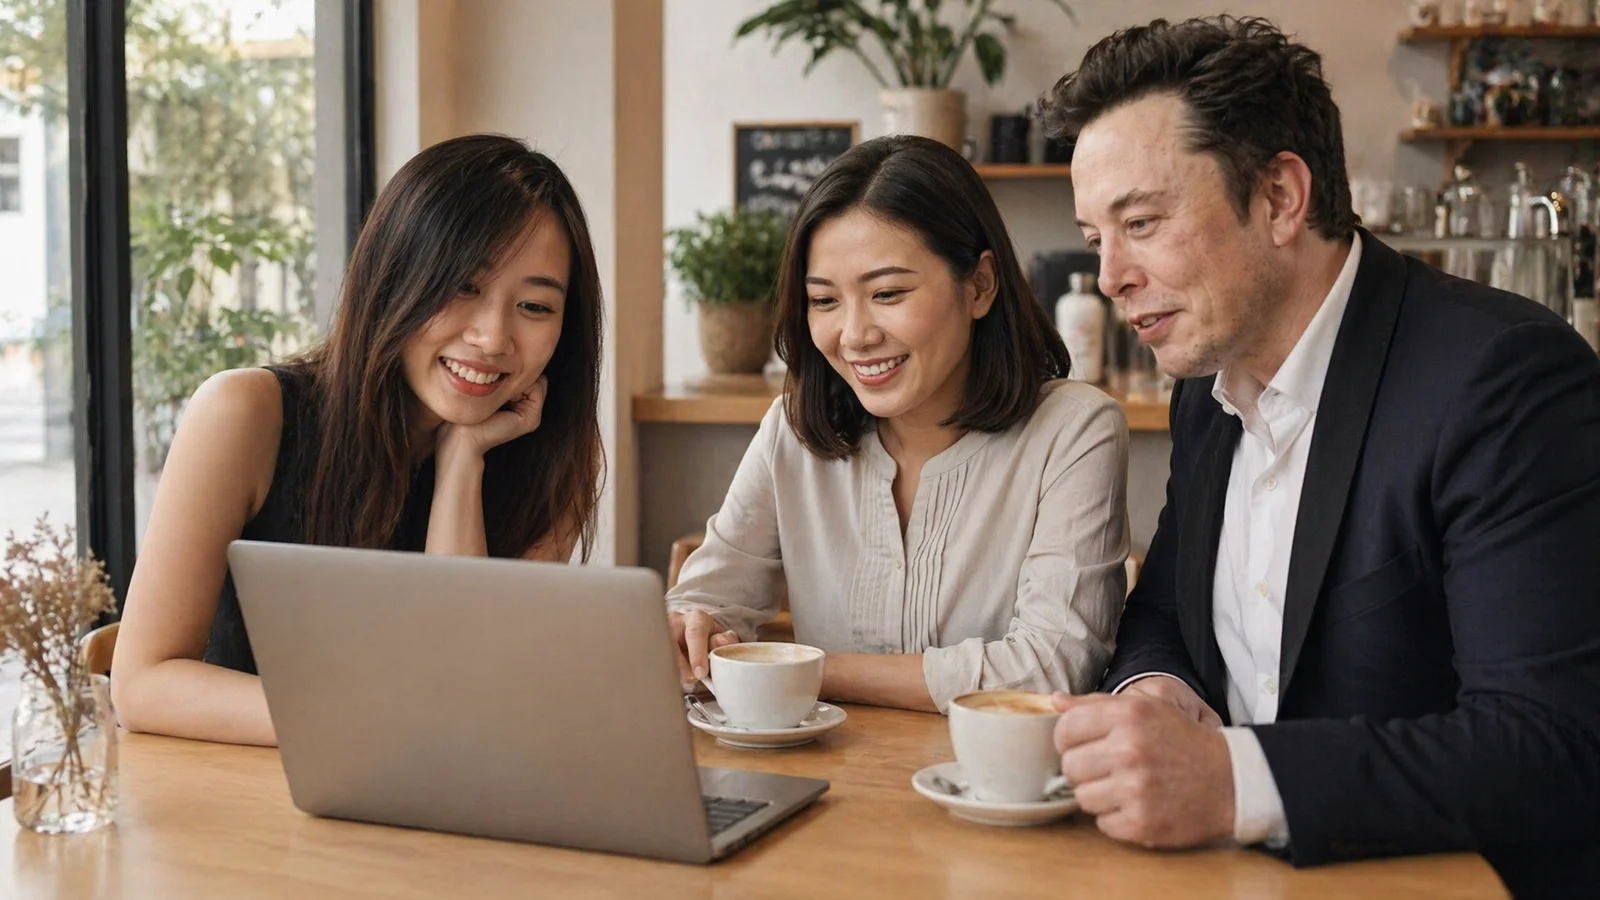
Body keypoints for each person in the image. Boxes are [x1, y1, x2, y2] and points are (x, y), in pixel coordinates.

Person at [1037, 15, 1600, 891]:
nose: (1110, 276)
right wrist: (1153, 691)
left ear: (1280, 199)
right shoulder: (1206, 389)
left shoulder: (1502, 379)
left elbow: (1551, 745)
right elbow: (1167, 615)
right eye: (1095, 237)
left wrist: (1231, 782)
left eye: (1140, 222)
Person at [112, 134, 606, 746]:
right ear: (396, 276)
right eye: (463, 287)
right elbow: (142, 683)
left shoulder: (548, 458)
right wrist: (371, 717)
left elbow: (466, 690)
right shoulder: (245, 414)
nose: (493, 337)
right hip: (235, 805)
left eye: (534, 306)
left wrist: (461, 465)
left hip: (419, 808)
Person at [667, 135, 1130, 714]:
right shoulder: (794, 428)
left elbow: (1050, 669)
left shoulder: (1074, 430)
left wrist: (808, 669)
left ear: (979, 285)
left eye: (887, 293)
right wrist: (694, 627)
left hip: (989, 790)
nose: (855, 335)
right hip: (820, 783)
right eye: (825, 301)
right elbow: (708, 597)